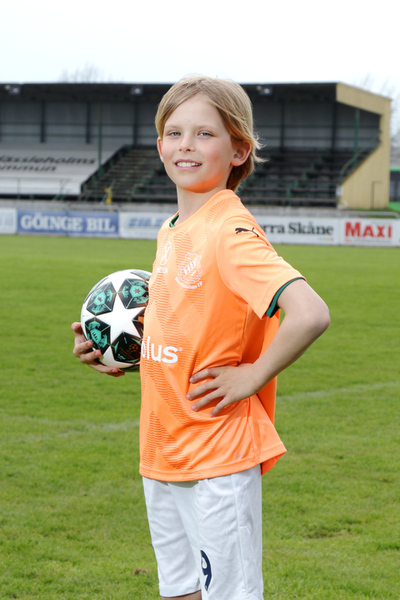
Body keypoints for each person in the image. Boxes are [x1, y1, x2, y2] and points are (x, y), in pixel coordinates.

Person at [72, 75, 330, 600]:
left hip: (217, 455)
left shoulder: (228, 231)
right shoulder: (173, 229)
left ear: (239, 150)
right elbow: (188, 328)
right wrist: (122, 351)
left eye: (205, 134)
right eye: (174, 132)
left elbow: (310, 313)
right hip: (163, 448)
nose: (185, 145)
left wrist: (253, 375)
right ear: (160, 144)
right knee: (181, 591)